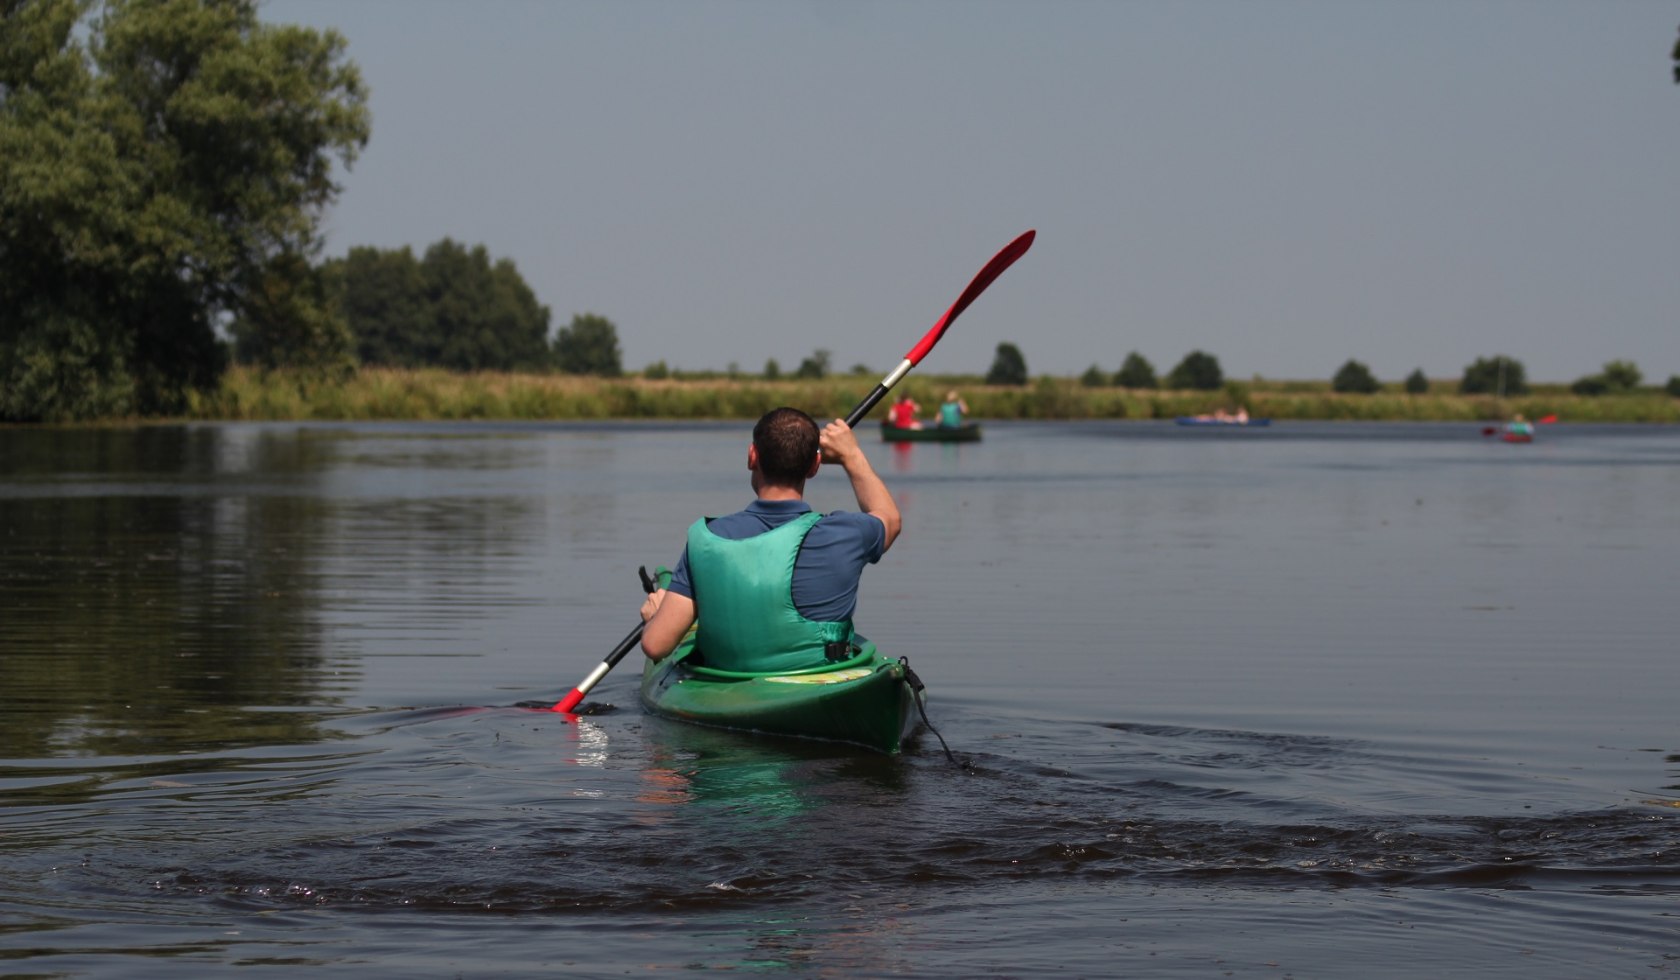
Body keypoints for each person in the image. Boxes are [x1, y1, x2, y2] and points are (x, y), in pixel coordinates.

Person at [638, 407, 902, 674]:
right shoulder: (846, 533)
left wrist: (655, 617)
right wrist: (851, 455)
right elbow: (889, 518)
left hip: (730, 685)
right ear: (814, 466)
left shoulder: (706, 538)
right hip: (821, 677)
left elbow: (656, 645)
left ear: (752, 456)